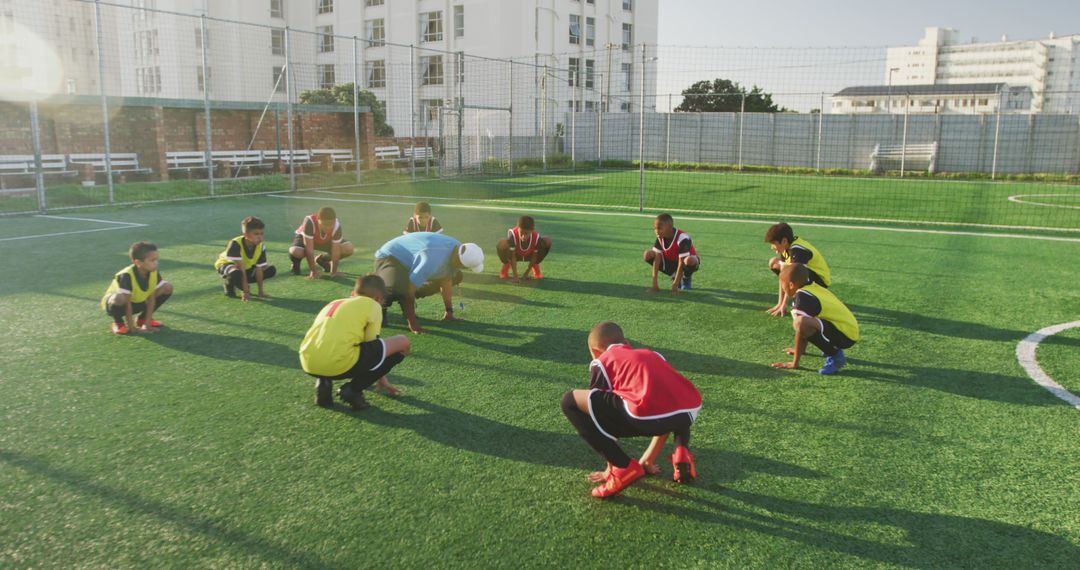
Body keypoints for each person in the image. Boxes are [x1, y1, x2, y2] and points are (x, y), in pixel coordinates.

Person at [561, 321, 703, 498]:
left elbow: (598, 415)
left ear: (595, 352)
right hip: (690, 410)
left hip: (646, 418)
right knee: (672, 399)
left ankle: (623, 467)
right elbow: (664, 405)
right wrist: (648, 459)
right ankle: (681, 450)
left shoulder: (601, 362)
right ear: (626, 342)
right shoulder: (654, 355)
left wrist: (610, 466)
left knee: (569, 401)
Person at [300, 274, 410, 410]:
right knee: (403, 342)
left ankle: (323, 384)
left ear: (353, 293)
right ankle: (353, 390)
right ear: (378, 298)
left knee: (334, 342)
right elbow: (372, 346)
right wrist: (379, 376)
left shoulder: (334, 302)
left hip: (308, 362)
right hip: (338, 363)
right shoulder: (373, 305)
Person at [373, 232, 484, 334]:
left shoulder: (459, 250)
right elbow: (409, 290)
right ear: (458, 260)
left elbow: (446, 280)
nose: (465, 268)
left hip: (412, 260)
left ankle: (404, 301)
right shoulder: (431, 259)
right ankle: (381, 303)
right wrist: (413, 324)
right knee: (400, 289)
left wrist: (449, 312)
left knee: (456, 276)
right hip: (391, 256)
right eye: (465, 267)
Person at [771, 263, 858, 375]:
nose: (782, 288)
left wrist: (794, 363)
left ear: (791, 285)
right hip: (849, 330)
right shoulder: (812, 286)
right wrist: (800, 350)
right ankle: (832, 346)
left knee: (800, 322)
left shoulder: (802, 299)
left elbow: (801, 328)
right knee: (803, 322)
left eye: (783, 285)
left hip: (845, 336)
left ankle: (835, 355)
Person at [101, 241, 173, 335]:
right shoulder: (126, 275)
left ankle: (142, 320)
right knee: (119, 298)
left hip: (137, 301)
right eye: (152, 260)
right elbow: (127, 303)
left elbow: (151, 297)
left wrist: (147, 324)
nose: (156, 263)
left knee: (167, 287)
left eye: (156, 259)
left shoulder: (152, 271)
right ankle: (118, 323)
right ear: (138, 262)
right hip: (118, 304)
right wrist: (132, 328)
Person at [764, 222, 832, 316]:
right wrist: (780, 303)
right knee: (774, 263)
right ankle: (790, 299)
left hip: (820, 281)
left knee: (789, 270)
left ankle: (807, 298)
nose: (772, 247)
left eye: (773, 243)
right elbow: (784, 276)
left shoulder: (798, 250)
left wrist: (784, 305)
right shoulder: (786, 247)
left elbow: (793, 276)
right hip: (806, 275)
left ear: (784, 241)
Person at [214, 216, 276, 300]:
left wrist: (260, 291)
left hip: (245, 267)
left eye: (262, 233)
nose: (260, 237)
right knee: (236, 273)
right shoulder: (235, 244)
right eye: (256, 234)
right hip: (226, 264)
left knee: (270, 270)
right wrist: (245, 290)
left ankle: (240, 283)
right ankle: (229, 284)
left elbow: (259, 269)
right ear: (246, 235)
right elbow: (240, 267)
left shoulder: (261, 246)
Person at [288, 206, 354, 279]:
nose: (329, 227)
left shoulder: (336, 225)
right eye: (325, 225)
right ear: (318, 220)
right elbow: (309, 250)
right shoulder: (309, 221)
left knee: (348, 248)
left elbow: (336, 250)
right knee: (296, 251)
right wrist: (313, 271)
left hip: (325, 240)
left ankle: (322, 259)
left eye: (331, 224)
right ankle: (295, 265)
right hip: (307, 239)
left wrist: (334, 272)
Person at [644, 213, 699, 295]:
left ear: (669, 228)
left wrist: (675, 285)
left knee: (689, 260)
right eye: (655, 228)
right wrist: (654, 285)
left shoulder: (682, 238)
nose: (656, 231)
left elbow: (681, 262)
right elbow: (657, 259)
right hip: (671, 262)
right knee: (647, 255)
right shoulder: (660, 237)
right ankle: (673, 274)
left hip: (685, 263)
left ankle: (686, 277)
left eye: (660, 228)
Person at [496, 215, 552, 282]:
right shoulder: (513, 235)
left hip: (529, 255)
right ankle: (505, 269)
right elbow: (512, 256)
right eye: (521, 233)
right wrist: (515, 276)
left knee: (547, 241)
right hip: (516, 255)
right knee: (501, 243)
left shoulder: (536, 237)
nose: (523, 236)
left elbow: (534, 256)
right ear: (518, 228)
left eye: (526, 233)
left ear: (532, 231)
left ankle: (536, 272)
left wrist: (526, 273)